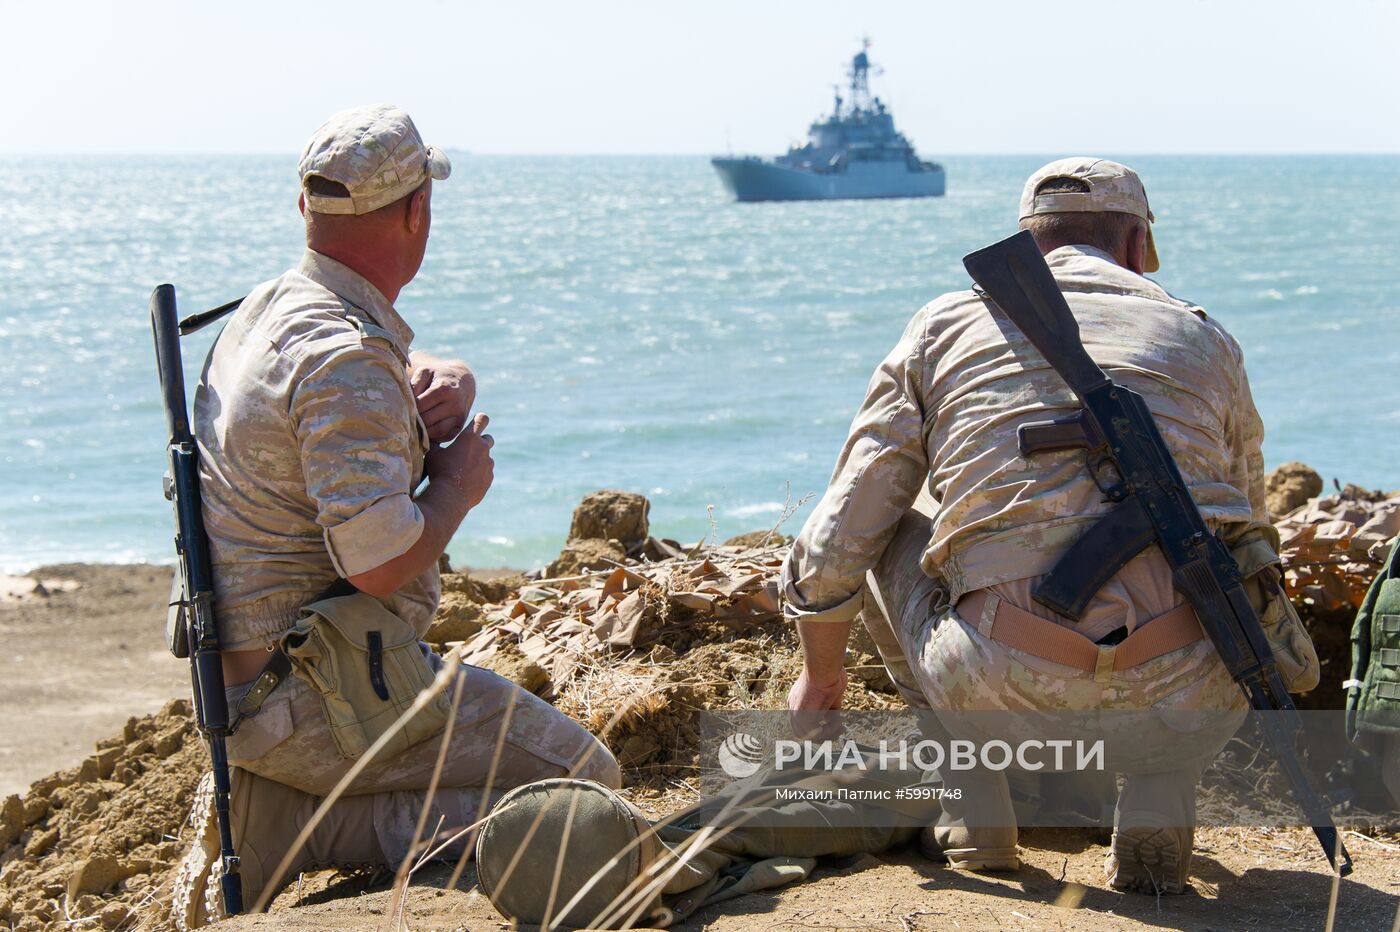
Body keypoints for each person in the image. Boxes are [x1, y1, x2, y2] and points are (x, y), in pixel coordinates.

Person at [781, 157, 1319, 895]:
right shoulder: (1205, 337)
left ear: (1029, 250)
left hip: (996, 681)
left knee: (890, 526)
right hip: (1189, 686)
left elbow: (843, 526)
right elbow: (1249, 526)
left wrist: (820, 675)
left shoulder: (945, 325)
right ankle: (1161, 789)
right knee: (1202, 582)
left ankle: (976, 805)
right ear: (1137, 247)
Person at [172, 104, 620, 928]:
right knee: (585, 790)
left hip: (250, 684)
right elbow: (377, 564)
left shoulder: (272, 308)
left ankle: (292, 802)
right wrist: (454, 488)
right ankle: (312, 824)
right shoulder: (344, 361)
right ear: (418, 211)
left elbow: (382, 366)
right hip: (321, 703)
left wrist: (452, 374)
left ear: (306, 208)